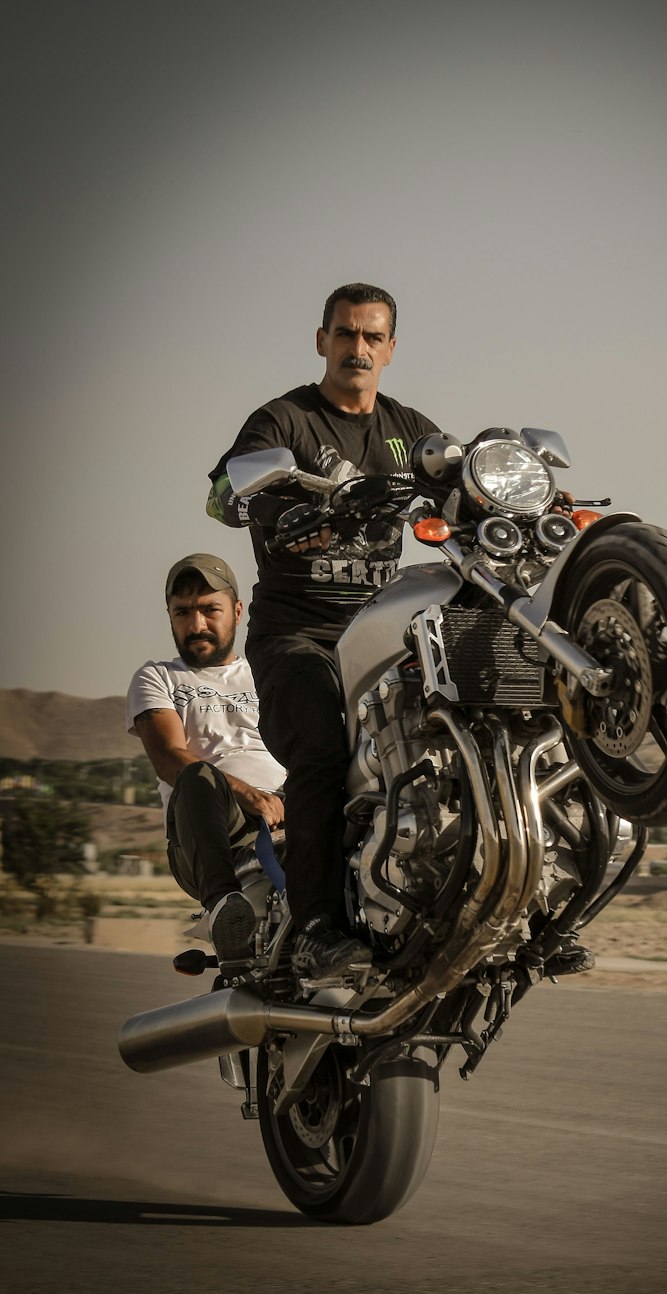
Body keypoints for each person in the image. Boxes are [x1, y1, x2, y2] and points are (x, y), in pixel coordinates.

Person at [205, 282, 441, 984]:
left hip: (381, 637)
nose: (358, 349)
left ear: (391, 349)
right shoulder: (284, 422)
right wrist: (273, 505)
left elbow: (456, 479)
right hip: (297, 636)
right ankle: (313, 926)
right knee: (318, 741)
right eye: (346, 334)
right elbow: (220, 494)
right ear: (322, 341)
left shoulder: (406, 428)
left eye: (372, 337)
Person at [126, 553, 285, 968]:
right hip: (210, 831)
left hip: (288, 810)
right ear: (170, 617)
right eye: (182, 612)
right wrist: (249, 796)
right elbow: (168, 758)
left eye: (209, 609)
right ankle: (224, 912)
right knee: (196, 774)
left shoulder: (271, 675)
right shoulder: (157, 677)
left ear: (236, 611)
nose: (196, 625)